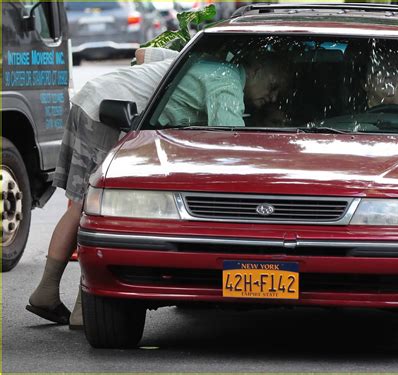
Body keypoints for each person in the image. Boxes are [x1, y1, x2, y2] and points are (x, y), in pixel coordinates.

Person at [26, 47, 179, 328]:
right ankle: (79, 306)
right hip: (106, 113)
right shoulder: (220, 75)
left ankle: (50, 293)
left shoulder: (191, 50)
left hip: (89, 98)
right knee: (94, 209)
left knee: (80, 204)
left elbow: (141, 53)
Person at [158, 54, 289, 127]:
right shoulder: (227, 82)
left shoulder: (219, 68)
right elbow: (232, 140)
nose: (274, 98)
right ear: (256, 70)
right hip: (140, 123)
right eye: (273, 87)